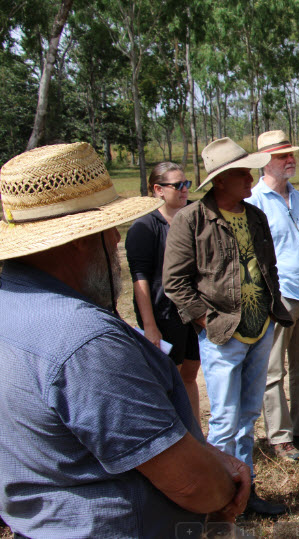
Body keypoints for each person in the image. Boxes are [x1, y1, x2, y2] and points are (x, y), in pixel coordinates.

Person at [0, 142, 250, 536]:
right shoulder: (86, 342)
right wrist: (227, 487)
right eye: (108, 231)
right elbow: (190, 483)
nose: (116, 242)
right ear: (81, 240)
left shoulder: (11, 303)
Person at [164, 137, 294, 516]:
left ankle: (244, 494)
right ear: (220, 180)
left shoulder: (255, 216)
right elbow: (174, 282)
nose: (250, 181)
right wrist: (206, 321)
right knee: (223, 420)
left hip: (260, 329)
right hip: (223, 334)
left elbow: (268, 268)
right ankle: (216, 502)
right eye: (242, 175)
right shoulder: (191, 220)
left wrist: (270, 310)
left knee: (248, 415)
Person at [246, 130, 299, 463]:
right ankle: (279, 436)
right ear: (265, 161)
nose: (290, 160)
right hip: (279, 297)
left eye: (291, 154)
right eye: (283, 156)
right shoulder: (253, 202)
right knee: (272, 371)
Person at [126, 162, 202, 423]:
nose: (184, 190)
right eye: (177, 185)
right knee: (170, 380)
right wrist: (150, 325)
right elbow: (140, 277)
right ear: (158, 189)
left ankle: (196, 436)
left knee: (190, 373)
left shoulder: (194, 214)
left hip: (194, 309)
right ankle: (176, 439)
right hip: (164, 313)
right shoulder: (145, 227)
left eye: (186, 184)